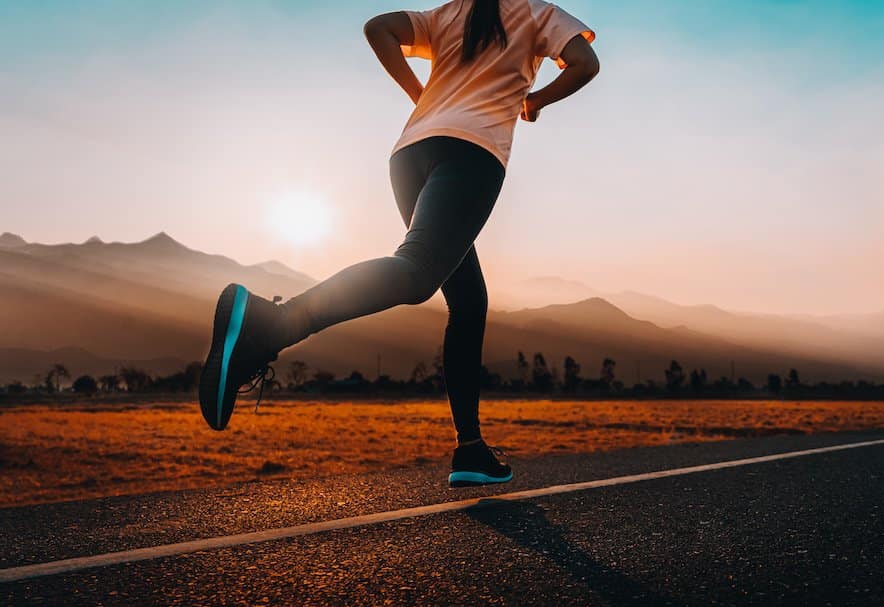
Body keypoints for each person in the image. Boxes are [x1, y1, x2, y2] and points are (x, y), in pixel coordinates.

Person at [198, 0, 599, 488]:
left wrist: (421, 94)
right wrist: (533, 102)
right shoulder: (539, 14)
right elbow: (584, 63)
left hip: (411, 153)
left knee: (469, 302)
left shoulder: (453, 13)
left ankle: (471, 449)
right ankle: (271, 323)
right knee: (417, 272)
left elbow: (379, 29)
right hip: (473, 153)